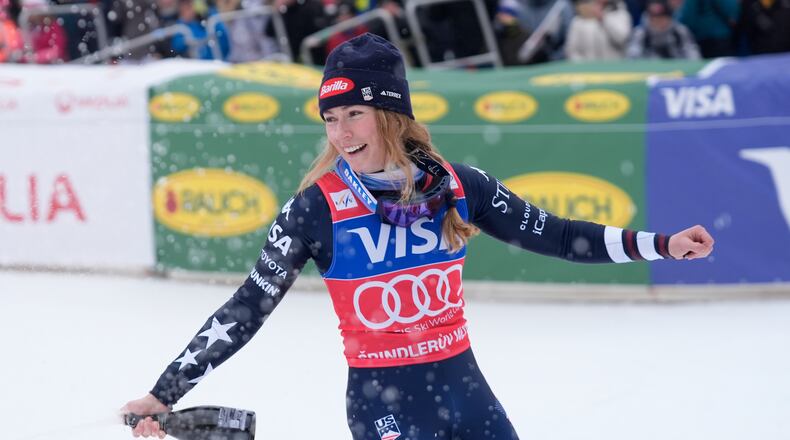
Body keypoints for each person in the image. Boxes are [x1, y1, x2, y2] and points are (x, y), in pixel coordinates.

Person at [121, 33, 715, 440]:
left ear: (390, 113)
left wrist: (659, 244)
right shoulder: (315, 208)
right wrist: (164, 392)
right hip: (386, 406)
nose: (342, 132)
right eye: (331, 118)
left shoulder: (459, 186)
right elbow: (246, 307)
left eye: (354, 113)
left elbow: (559, 237)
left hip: (466, 390)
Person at [626, 0, 701, 59]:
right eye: (654, 19)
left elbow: (692, 54)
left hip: (678, 73)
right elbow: (633, 56)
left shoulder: (679, 31)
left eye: (662, 19)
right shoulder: (641, 33)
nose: (658, 23)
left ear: (669, 18)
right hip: (648, 73)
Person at [565, 0, 632, 61]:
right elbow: (571, 51)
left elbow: (622, 39)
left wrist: (603, 18)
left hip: (615, 70)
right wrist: (583, 67)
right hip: (586, 71)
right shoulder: (579, 20)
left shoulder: (620, 14)